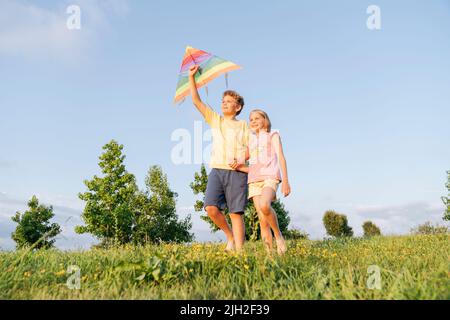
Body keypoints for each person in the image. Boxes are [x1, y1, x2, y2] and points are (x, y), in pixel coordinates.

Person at [189, 65, 249, 252]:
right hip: (217, 169)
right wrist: (192, 78)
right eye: (223, 100)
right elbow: (196, 102)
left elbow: (253, 148)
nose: (224, 103)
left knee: (235, 213)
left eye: (229, 101)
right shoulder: (216, 120)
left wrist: (241, 158)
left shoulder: (244, 125)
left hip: (237, 171)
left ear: (237, 107)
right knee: (210, 208)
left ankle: (239, 252)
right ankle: (229, 237)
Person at [231, 109, 291, 255]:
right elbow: (244, 162)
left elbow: (281, 158)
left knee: (265, 205)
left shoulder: (273, 135)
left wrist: (286, 181)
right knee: (263, 220)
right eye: (251, 119)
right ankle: (269, 256)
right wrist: (236, 163)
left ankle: (278, 236)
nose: (253, 121)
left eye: (257, 118)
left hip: (270, 177)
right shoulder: (251, 142)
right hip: (254, 181)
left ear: (265, 120)